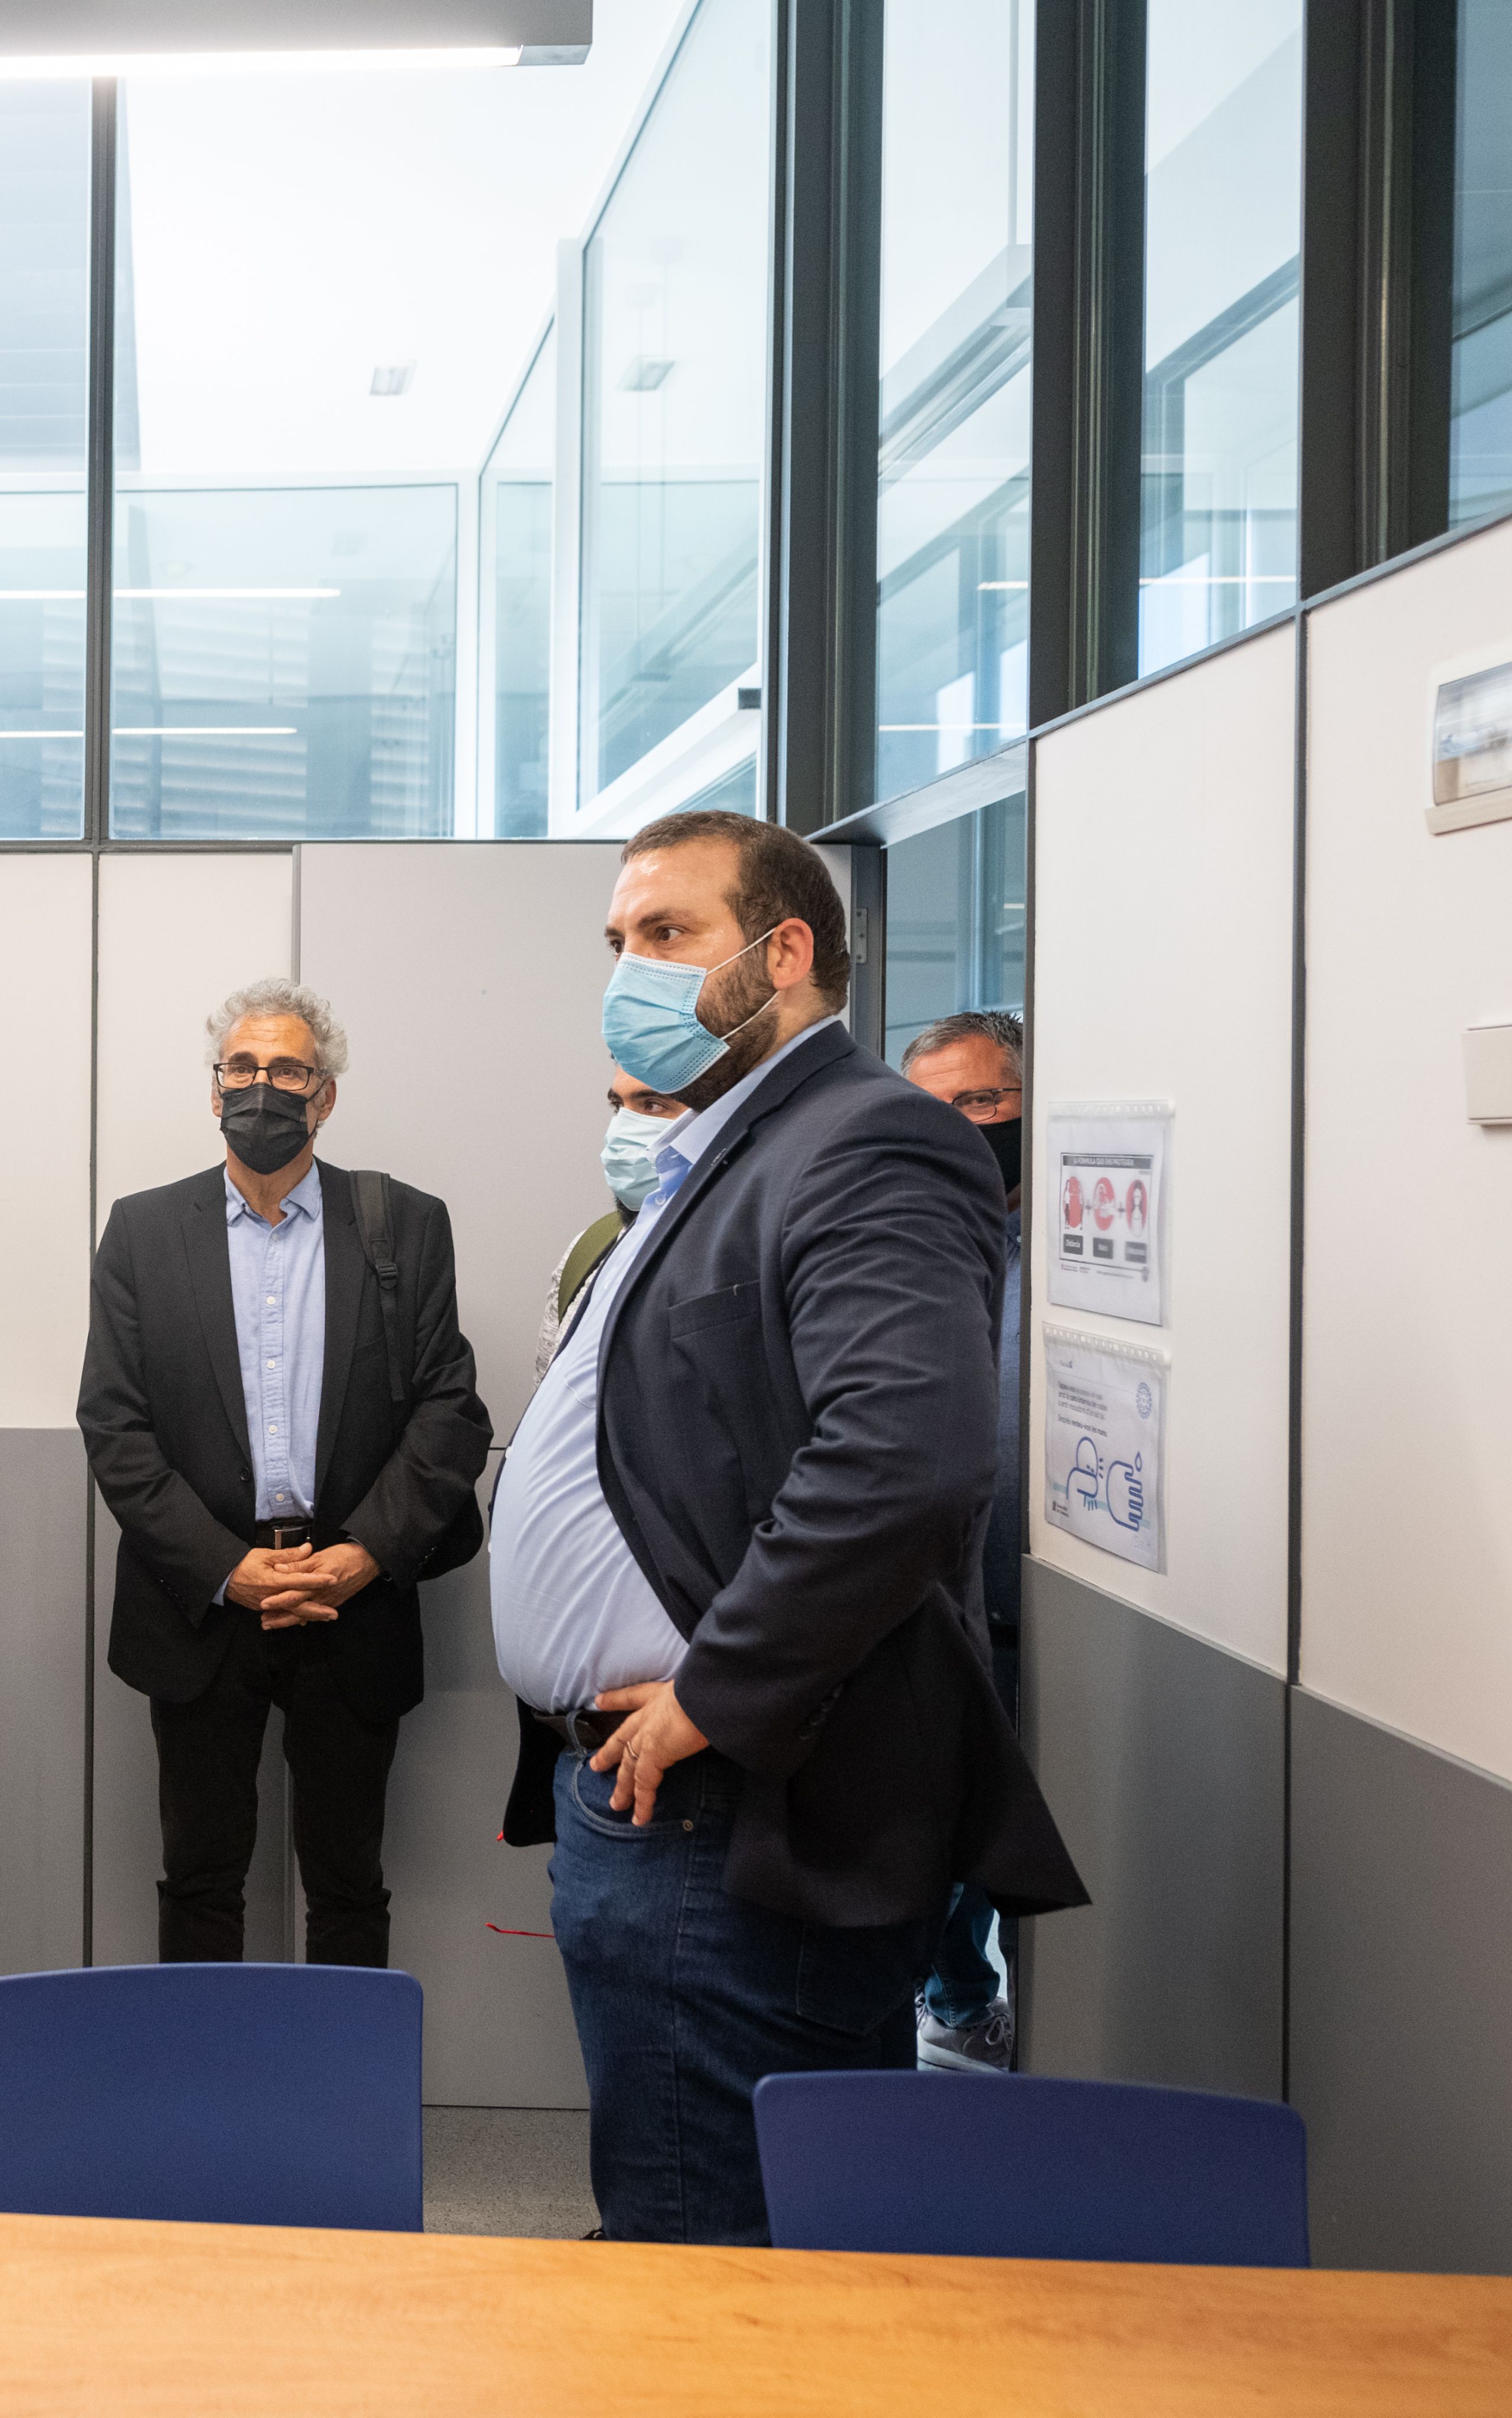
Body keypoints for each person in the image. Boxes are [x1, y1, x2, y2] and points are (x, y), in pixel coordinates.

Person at [485, 811, 1085, 2246]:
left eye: (669, 934)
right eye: (620, 941)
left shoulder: (868, 1138)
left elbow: (902, 1457)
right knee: (705, 2209)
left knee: (713, 2253)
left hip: (735, 1807)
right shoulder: (724, 1153)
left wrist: (715, 1686)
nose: (632, 969)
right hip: (666, 1808)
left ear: (784, 951)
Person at [78, 978, 492, 1967]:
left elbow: (449, 1412)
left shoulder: (403, 1223)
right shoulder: (142, 1230)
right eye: (242, 1068)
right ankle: (204, 2100)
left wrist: (360, 1555)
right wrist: (229, 1565)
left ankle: (343, 2108)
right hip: (202, 1602)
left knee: (347, 1878)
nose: (261, 1087)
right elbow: (114, 1423)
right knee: (201, 1873)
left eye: (287, 1070)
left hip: (351, 1596)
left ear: (324, 1094)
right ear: (213, 1088)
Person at [898, 1006, 1028, 2074]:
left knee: (1024, 1853)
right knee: (926, 1854)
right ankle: (960, 2002)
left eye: (981, 1101)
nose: (959, 1126)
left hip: (1045, 1621)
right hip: (928, 1614)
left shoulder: (1068, 1256)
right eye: (931, 1109)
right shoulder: (899, 1252)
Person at [536, 1070, 686, 1375]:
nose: (621, 1130)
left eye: (653, 1105)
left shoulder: (743, 1260)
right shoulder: (589, 1250)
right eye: (618, 1107)